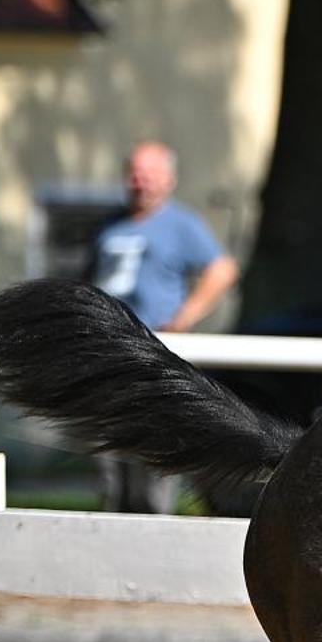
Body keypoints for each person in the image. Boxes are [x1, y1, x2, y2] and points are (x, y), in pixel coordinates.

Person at [89, 140, 239, 510]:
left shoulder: (182, 224)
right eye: (136, 174)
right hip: (108, 354)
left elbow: (222, 270)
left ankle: (155, 542)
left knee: (154, 457)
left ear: (169, 180)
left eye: (151, 174)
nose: (141, 182)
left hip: (153, 353)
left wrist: (184, 318)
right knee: (110, 461)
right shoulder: (109, 226)